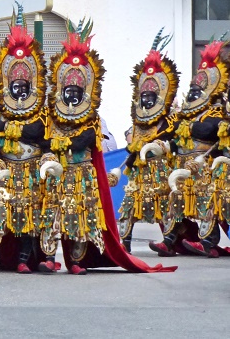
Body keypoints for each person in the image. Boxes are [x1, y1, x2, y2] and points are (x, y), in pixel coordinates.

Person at [41, 18, 176, 274]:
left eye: (76, 91)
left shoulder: (91, 118)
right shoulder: (51, 117)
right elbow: (45, 140)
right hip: (57, 175)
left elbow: (86, 140)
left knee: (80, 219)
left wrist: (61, 143)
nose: (72, 95)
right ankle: (48, 257)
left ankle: (77, 260)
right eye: (67, 90)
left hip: (81, 175)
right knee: (51, 216)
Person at [0, 3, 52, 273]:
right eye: (14, 85)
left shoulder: (41, 111)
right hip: (5, 168)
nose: (19, 90)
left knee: (27, 213)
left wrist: (8, 129)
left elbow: (40, 135)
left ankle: (23, 259)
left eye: (23, 85)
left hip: (30, 170)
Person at [153, 37, 230, 257]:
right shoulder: (185, 116)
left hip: (204, 169)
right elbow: (173, 135)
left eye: (198, 89)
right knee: (175, 200)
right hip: (181, 168)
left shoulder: (217, 113)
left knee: (207, 202)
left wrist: (189, 127)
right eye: (192, 89)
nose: (193, 93)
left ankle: (208, 243)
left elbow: (209, 132)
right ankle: (169, 241)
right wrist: (162, 145)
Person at [117, 29, 180, 253]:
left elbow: (175, 140)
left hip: (161, 170)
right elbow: (131, 137)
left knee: (165, 204)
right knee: (129, 204)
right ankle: (124, 242)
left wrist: (158, 146)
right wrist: (132, 142)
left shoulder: (170, 119)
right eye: (143, 96)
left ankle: (169, 241)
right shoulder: (137, 121)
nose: (146, 100)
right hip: (138, 171)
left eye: (150, 96)